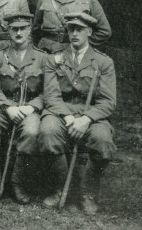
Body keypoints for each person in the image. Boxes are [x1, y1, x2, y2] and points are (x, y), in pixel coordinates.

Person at [38, 12, 116, 215]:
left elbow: (108, 101)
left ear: (89, 31)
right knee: (48, 132)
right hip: (61, 113)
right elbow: (51, 97)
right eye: (71, 29)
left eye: (79, 29)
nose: (74, 33)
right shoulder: (53, 59)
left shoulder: (103, 63)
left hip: (91, 115)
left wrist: (86, 119)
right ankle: (62, 188)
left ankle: (86, 193)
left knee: (102, 139)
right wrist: (70, 118)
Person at [0, 13, 46, 204]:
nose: (18, 32)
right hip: (2, 106)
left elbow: (47, 92)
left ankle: (17, 183)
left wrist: (32, 107)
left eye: (23, 28)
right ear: (8, 31)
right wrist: (8, 108)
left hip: (28, 109)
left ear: (30, 29)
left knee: (31, 131)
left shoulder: (41, 57)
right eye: (14, 29)